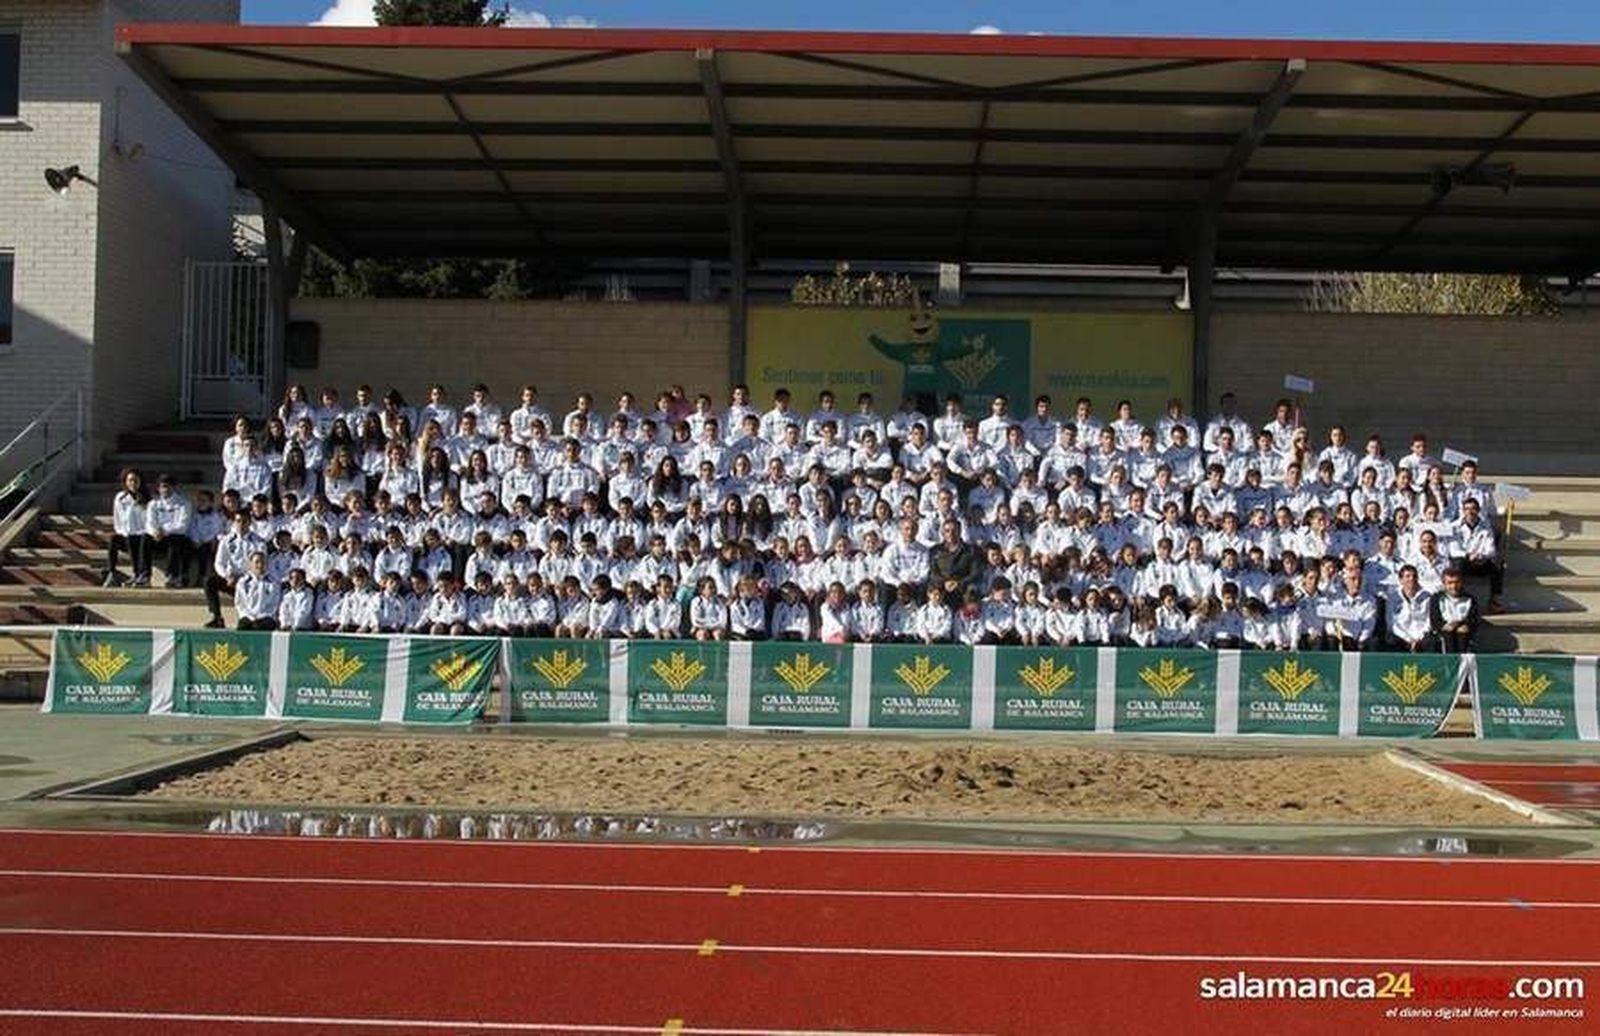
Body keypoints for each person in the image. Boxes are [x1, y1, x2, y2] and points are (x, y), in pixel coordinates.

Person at [106, 469, 150, 588]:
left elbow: (148, 521)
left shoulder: (148, 499)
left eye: (136, 480)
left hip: (142, 535)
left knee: (136, 539)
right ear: (125, 482)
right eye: (130, 480)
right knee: (113, 539)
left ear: (140, 482)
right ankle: (112, 572)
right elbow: (118, 518)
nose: (133, 483)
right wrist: (123, 532)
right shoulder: (120, 497)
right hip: (125, 533)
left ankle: (139, 575)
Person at [1429, 566, 1481, 653]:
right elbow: (1434, 620)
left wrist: (1463, 625)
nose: (1454, 586)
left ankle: (1462, 662)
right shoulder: (1437, 598)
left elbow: (1473, 619)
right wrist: (1444, 626)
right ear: (1444, 584)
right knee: (1447, 632)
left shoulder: (1470, 599)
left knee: (1463, 632)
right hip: (1444, 631)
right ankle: (1449, 662)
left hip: (1463, 631)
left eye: (1457, 582)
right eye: (1450, 583)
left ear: (1462, 582)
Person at [234, 551, 280, 631]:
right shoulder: (243, 582)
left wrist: (260, 616)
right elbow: (239, 603)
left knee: (260, 626)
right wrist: (249, 616)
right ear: (250, 564)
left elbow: (274, 604)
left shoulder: (273, 582)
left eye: (262, 562)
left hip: (266, 617)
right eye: (257, 562)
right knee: (242, 627)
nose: (260, 565)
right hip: (248, 616)